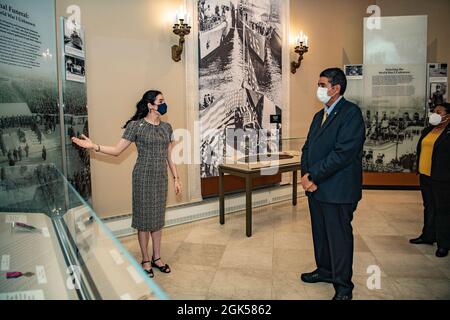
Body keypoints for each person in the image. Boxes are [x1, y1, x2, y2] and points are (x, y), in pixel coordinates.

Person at [72, 90, 182, 278]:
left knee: (157, 219)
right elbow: (116, 151)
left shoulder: (167, 127)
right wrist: (94, 146)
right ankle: (146, 259)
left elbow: (168, 155)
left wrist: (176, 178)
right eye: (161, 101)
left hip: (160, 179)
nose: (164, 104)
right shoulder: (136, 126)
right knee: (143, 220)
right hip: (142, 177)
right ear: (150, 105)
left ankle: (157, 257)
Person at [299, 68, 366, 300]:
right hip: (316, 189)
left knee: (338, 238)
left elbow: (343, 153)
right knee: (321, 234)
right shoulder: (319, 115)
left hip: (338, 190)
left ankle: (343, 287)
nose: (318, 89)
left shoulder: (351, 114)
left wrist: (313, 176)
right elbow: (307, 148)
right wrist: (306, 176)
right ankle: (325, 271)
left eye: (321, 84)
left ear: (335, 88)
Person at [409, 102, 450, 257]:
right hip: (425, 174)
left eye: (439, 112)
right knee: (429, 207)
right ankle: (428, 235)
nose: (435, 114)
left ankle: (444, 243)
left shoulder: (448, 132)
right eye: (434, 111)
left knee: (443, 210)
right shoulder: (428, 130)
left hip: (442, 177)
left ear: (448, 115)